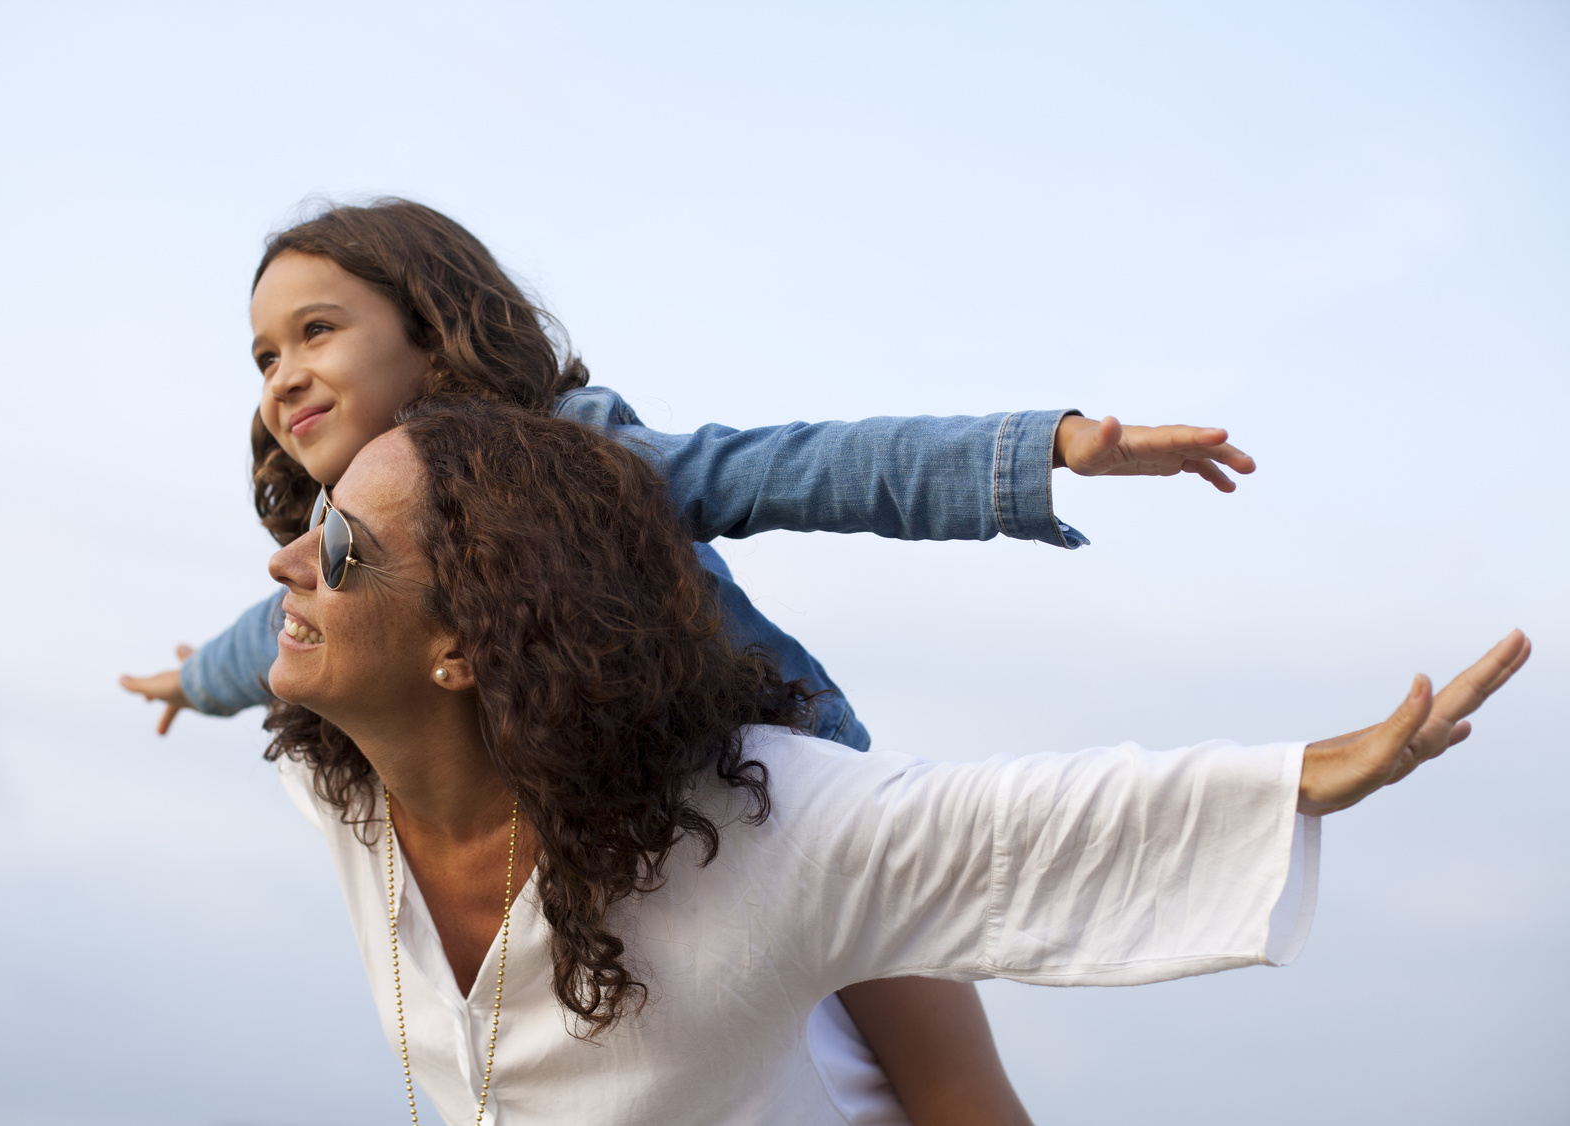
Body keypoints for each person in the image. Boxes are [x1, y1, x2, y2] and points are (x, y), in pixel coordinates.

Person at [120, 198, 1258, 1124]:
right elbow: (256, 634)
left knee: (952, 1089)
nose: (280, 373)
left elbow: (800, 468)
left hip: (776, 791)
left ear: (431, 327)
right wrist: (191, 682)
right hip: (614, 833)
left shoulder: (585, 458)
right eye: (264, 353)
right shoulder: (357, 548)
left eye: (317, 330)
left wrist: (1041, 452)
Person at [260, 396, 1526, 1126]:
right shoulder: (336, 785)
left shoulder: (749, 825)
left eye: (344, 547)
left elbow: (1004, 823)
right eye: (313, 524)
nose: (289, 563)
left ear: (466, 646)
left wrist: (1297, 774)